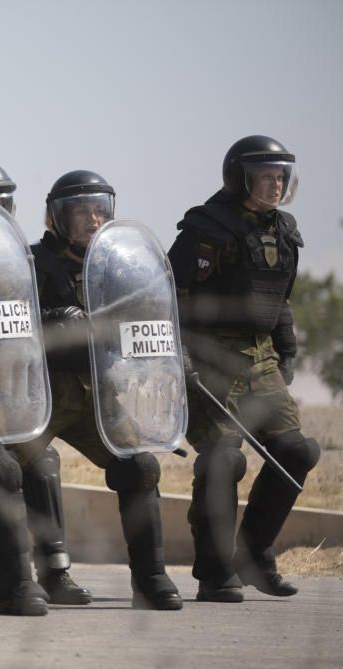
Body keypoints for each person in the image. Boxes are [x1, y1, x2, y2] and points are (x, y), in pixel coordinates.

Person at [11, 170, 183, 611]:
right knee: (5, 471)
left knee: (140, 467)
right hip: (45, 390)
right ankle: (45, 572)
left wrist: (169, 355)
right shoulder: (28, 262)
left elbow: (147, 319)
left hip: (101, 393)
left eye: (99, 210)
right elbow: (9, 321)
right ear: (56, 217)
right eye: (81, 210)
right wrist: (53, 318)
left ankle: (150, 577)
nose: (92, 218)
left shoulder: (121, 268)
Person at [168, 135, 320, 603]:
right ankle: (215, 573)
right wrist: (182, 358)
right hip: (209, 357)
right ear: (240, 177)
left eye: (281, 176)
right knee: (222, 461)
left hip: (262, 358)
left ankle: (254, 555)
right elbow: (168, 296)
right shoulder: (207, 227)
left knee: (298, 452)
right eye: (266, 175)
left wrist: (287, 350)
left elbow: (278, 301)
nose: (276, 184)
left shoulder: (286, 231)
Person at [0, 159, 92, 606]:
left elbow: (27, 318)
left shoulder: (18, 260)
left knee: (36, 465)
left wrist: (52, 318)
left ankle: (53, 572)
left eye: (1, 204)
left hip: (10, 386)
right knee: (0, 470)